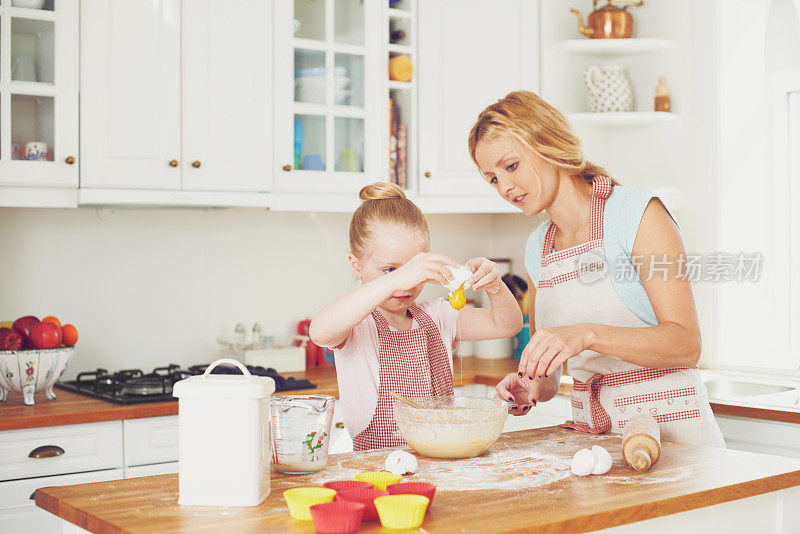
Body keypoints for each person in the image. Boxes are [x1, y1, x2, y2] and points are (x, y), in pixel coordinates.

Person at [468, 91, 724, 447]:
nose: (505, 188)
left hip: (675, 440)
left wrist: (585, 334)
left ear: (548, 144)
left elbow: (685, 344)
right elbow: (550, 381)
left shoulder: (638, 214)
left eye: (511, 166)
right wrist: (529, 385)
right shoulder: (536, 248)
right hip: (596, 442)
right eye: (493, 179)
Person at [310, 182, 523, 450]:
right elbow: (319, 331)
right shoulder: (356, 325)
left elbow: (507, 324)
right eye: (390, 270)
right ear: (356, 265)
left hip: (440, 458)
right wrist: (399, 277)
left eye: (415, 270)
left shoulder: (439, 315)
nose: (406, 285)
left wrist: (495, 284)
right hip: (378, 467)